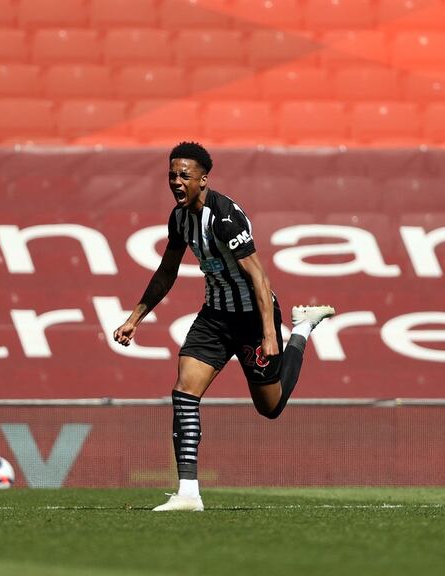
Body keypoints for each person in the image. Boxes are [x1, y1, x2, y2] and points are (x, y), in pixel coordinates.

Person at [114, 142, 335, 512]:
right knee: (185, 390)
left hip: (251, 317)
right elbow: (167, 271)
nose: (176, 182)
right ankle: (188, 493)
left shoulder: (226, 218)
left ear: (204, 179)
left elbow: (260, 279)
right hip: (214, 316)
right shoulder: (179, 218)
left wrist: (271, 334)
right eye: (172, 175)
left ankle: (302, 329)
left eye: (185, 175)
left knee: (271, 407)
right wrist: (135, 318)